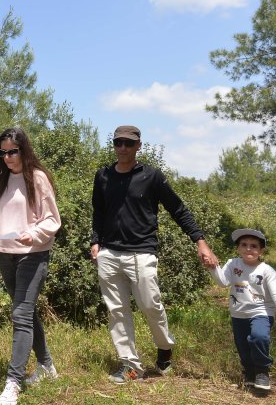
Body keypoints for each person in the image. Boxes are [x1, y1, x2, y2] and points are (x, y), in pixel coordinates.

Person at [90, 125, 218, 384]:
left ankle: (164, 347)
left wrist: (200, 242)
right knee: (117, 311)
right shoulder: (103, 176)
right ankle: (130, 364)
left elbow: (178, 210)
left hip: (142, 253)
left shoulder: (152, 177)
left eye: (128, 143)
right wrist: (95, 242)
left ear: (139, 145)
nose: (123, 148)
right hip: (110, 254)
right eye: (118, 143)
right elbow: (98, 212)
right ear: (113, 145)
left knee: (151, 306)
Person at [0, 127, 61, 405]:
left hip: (33, 254)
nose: (8, 157)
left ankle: (13, 382)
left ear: (24, 150)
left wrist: (33, 234)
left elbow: (52, 221)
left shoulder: (38, 178)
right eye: (3, 152)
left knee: (21, 314)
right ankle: (46, 366)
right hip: (5, 253)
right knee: (25, 312)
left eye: (13, 151)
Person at [209, 228, 276, 391]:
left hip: (262, 312)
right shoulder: (232, 264)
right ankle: (249, 373)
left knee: (259, 337)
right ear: (238, 248)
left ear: (261, 250)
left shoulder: (267, 271)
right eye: (244, 245)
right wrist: (213, 267)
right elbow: (223, 282)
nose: (249, 249)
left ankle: (262, 371)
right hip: (238, 313)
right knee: (242, 345)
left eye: (254, 246)